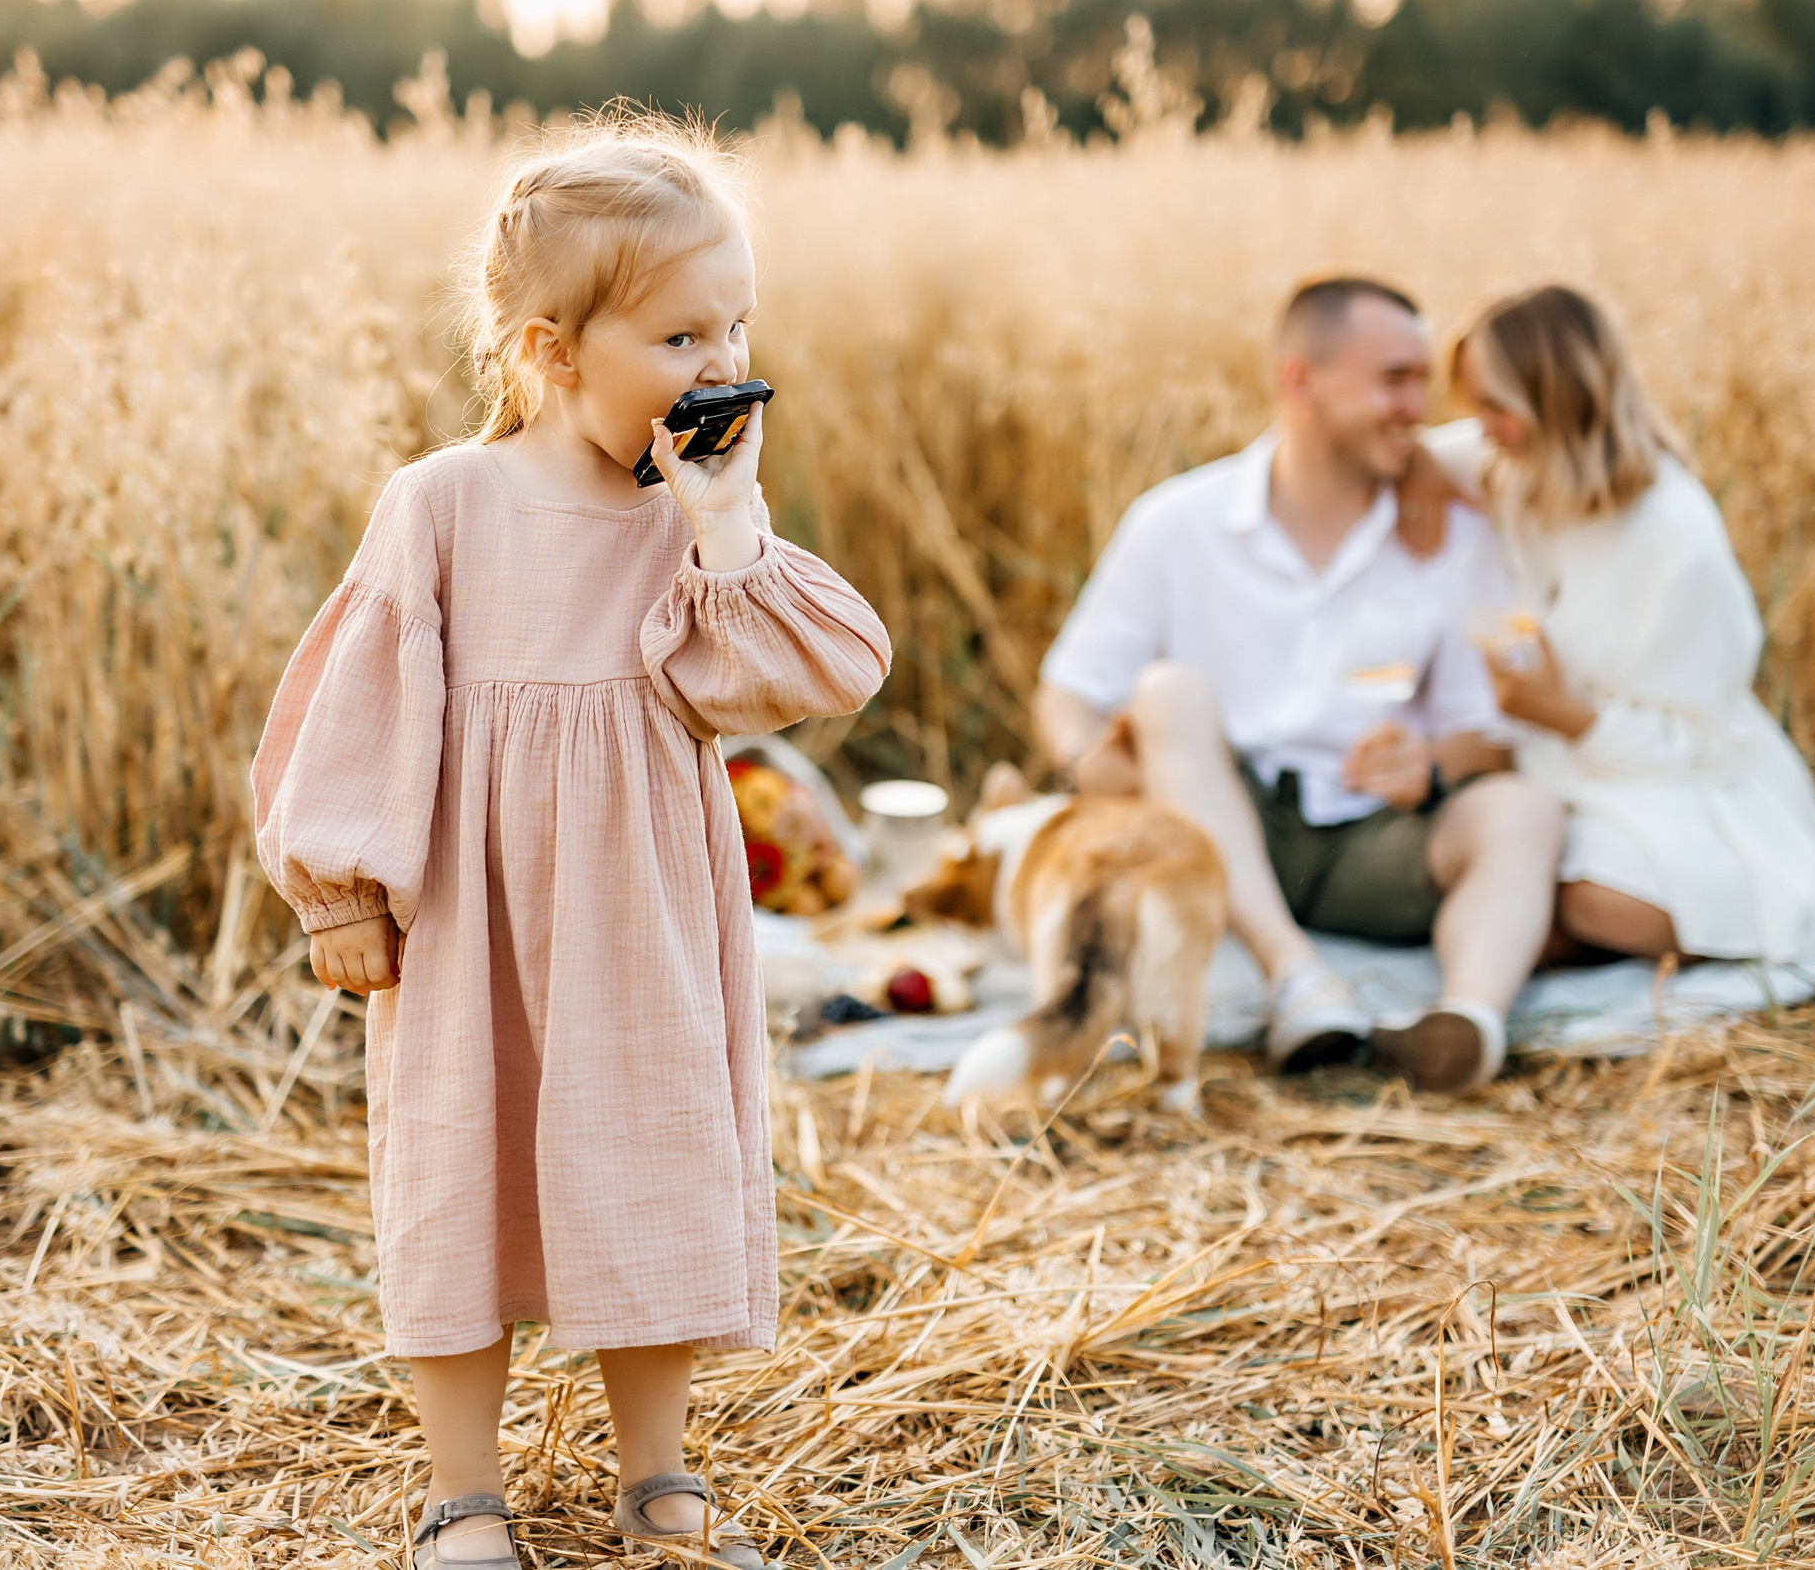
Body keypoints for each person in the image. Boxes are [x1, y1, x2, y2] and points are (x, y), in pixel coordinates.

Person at [251, 118, 890, 1569]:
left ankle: (657, 1473)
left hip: (640, 909)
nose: (721, 360)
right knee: (458, 1160)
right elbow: (359, 698)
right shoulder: (446, 505)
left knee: (645, 1151)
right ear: (553, 349)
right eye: (678, 333)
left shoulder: (691, 522)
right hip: (471, 914)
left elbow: (819, 669)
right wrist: (344, 884)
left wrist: (729, 523)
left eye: (736, 323)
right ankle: (462, 1488)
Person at [1036, 277, 1565, 1096]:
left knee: (1521, 810)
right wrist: (1082, 759)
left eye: (1422, 381)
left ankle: (1465, 1025)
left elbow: (1491, 729)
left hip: (1375, 837)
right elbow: (1069, 691)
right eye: (1394, 379)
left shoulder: (1458, 534)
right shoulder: (1178, 521)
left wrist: (1427, 761)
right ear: (1299, 380)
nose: (1417, 406)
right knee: (1168, 690)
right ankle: (1296, 976)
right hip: (1223, 826)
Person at [1405, 283, 1815, 969]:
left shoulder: (1673, 535)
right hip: (1561, 773)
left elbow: (1700, 740)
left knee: (1595, 905)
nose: (1479, 426)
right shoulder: (1516, 466)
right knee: (1522, 907)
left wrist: (1565, 714)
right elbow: (1417, 454)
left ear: (1561, 402)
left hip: (1680, 780)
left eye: (1494, 406)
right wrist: (1419, 493)